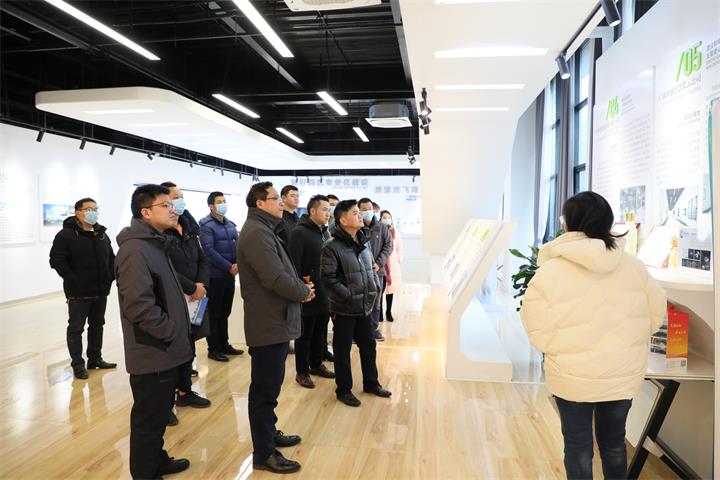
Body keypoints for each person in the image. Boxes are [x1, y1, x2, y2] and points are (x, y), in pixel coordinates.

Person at [520, 191, 666, 480]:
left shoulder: (551, 270)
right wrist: (629, 343)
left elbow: (533, 319)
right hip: (621, 375)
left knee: (578, 448)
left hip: (571, 375)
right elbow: (655, 313)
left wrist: (555, 349)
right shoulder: (634, 267)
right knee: (614, 446)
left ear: (569, 223)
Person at [115, 184, 193, 479]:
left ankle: (156, 460)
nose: (174, 210)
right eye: (166, 205)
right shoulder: (135, 250)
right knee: (148, 419)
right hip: (153, 350)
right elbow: (139, 306)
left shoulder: (155, 244)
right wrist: (170, 331)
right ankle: (145, 473)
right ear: (146, 212)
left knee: (159, 413)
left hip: (165, 349)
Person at [237, 182, 313, 474]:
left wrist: (300, 288)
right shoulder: (257, 233)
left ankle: (269, 433)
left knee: (270, 386)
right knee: (264, 391)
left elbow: (281, 272)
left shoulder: (265, 229)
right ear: (260, 203)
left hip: (275, 319)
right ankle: (264, 452)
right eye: (275, 198)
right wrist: (302, 292)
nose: (281, 202)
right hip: (268, 322)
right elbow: (274, 277)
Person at [321, 199, 392, 407]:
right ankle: (343, 389)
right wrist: (350, 296)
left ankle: (371, 383)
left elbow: (370, 270)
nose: (360, 215)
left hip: (364, 307)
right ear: (343, 220)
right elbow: (329, 279)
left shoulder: (363, 240)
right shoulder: (331, 246)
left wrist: (373, 290)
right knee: (342, 352)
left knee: (369, 346)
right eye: (355, 213)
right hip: (345, 308)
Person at [49, 197, 117, 379]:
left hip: (101, 290)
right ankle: (78, 364)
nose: (93, 212)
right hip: (78, 293)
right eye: (88, 209)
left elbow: (111, 258)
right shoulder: (65, 235)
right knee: (76, 328)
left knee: (97, 326)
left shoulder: (101, 234)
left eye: (95, 209)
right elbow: (56, 260)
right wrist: (72, 279)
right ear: (78, 212)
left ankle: (95, 358)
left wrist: (110, 277)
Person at [161, 182, 211, 425]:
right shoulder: (161, 231)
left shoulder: (189, 226)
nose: (180, 200)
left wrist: (200, 285)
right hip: (172, 295)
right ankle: (164, 404)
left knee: (187, 347)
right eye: (175, 196)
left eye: (181, 196)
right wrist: (191, 287)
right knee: (170, 351)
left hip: (193, 297)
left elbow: (202, 258)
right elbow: (165, 266)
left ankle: (184, 391)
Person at [288, 195, 336, 389]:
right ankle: (302, 372)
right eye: (324, 209)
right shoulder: (299, 233)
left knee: (320, 332)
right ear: (312, 211)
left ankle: (316, 364)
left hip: (325, 292)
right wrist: (301, 288)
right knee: (304, 335)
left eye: (329, 210)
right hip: (308, 291)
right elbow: (293, 264)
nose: (328, 213)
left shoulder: (325, 232)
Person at [199, 192, 243, 362]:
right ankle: (214, 348)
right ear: (211, 206)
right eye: (219, 202)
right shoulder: (206, 225)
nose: (223, 204)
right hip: (214, 276)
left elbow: (238, 246)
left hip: (229, 276)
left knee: (225, 312)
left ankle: (224, 344)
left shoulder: (230, 224)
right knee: (214, 314)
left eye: (224, 201)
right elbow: (209, 251)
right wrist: (229, 266)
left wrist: (237, 264)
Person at [358, 198, 392, 340]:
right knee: (360, 301)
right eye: (364, 209)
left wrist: (378, 263)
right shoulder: (356, 227)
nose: (368, 212)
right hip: (359, 272)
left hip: (378, 271)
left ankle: (373, 329)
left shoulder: (381, 227)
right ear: (359, 210)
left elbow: (388, 246)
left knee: (376, 301)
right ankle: (359, 331)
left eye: (370, 209)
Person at [380, 210, 403, 322]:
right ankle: (379, 312)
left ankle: (388, 312)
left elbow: (399, 247)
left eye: (389, 217)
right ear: (380, 219)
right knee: (380, 290)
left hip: (392, 265)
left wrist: (398, 258)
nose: (387, 219)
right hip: (381, 263)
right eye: (384, 217)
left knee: (390, 290)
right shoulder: (378, 231)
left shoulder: (394, 232)